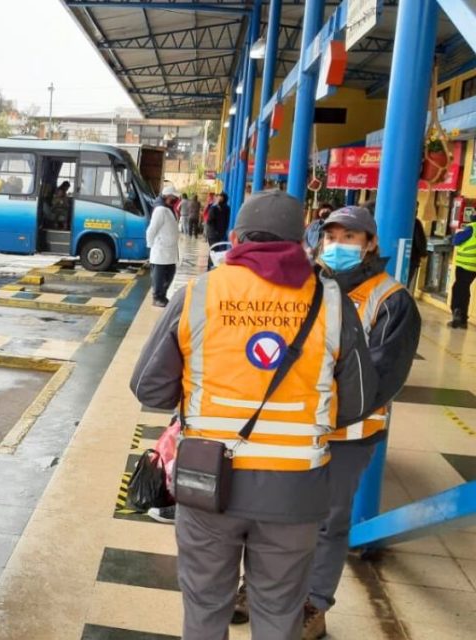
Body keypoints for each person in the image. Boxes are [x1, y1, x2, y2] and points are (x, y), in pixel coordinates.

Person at [131, 190, 378, 640]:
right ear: (302, 241)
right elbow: (360, 402)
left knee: (206, 608)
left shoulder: (199, 294)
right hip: (296, 491)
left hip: (208, 484)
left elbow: (148, 386)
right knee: (280, 612)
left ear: (236, 237)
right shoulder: (332, 302)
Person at [301, 206, 420, 638]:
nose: (338, 245)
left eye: (350, 237)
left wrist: (321, 408)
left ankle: (313, 604)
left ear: (370, 244)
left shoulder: (391, 300)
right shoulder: (304, 284)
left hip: (350, 436)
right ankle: (259, 588)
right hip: (293, 428)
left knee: (330, 522)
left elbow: (381, 377)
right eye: (331, 236)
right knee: (274, 515)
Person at [146, 185, 181, 307]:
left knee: (170, 273)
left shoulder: (169, 209)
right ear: (167, 197)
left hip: (170, 249)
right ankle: (157, 297)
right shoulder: (160, 210)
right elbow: (151, 230)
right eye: (174, 197)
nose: (175, 199)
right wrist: (151, 246)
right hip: (160, 249)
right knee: (159, 277)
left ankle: (163, 295)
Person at [449, 210, 476, 328]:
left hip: (465, 265)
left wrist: (454, 236)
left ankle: (457, 317)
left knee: (458, 290)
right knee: (465, 289)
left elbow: (456, 240)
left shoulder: (471, 228)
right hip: (473, 267)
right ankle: (463, 319)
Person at [204, 192, 230, 268]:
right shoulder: (214, 208)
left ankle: (214, 266)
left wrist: (223, 231)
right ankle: (210, 266)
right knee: (214, 250)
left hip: (220, 233)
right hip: (213, 234)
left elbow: (226, 221)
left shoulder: (227, 208)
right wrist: (215, 231)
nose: (219, 198)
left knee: (218, 250)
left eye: (221, 197)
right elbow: (209, 220)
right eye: (219, 196)